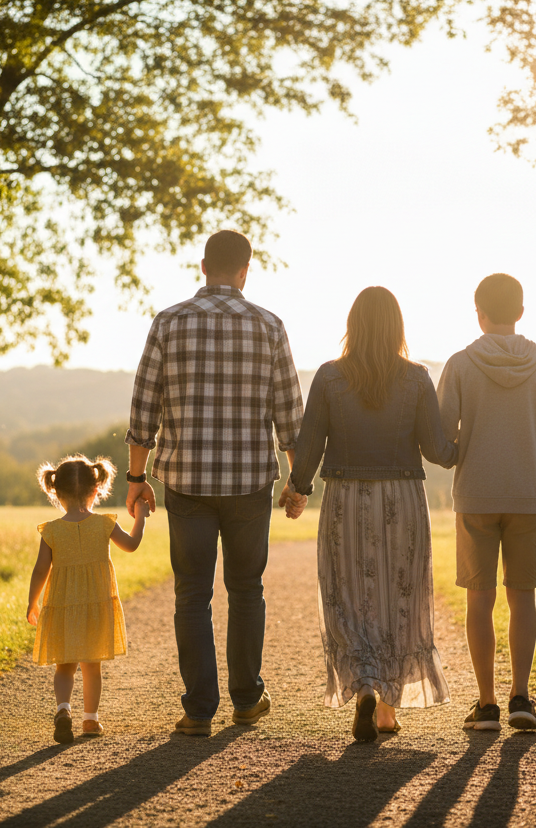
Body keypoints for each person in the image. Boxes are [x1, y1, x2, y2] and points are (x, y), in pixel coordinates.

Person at [125, 229, 307, 737]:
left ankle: (199, 710)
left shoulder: (169, 322)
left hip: (186, 481)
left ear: (203, 267)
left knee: (192, 594)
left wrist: (137, 477)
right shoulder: (270, 326)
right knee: (247, 589)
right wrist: (298, 481)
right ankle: (247, 700)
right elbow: (290, 415)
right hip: (249, 482)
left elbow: (143, 408)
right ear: (246, 271)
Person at [287, 286, 457, 743]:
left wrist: (297, 489)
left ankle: (363, 684)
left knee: (348, 598)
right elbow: (438, 451)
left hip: (344, 496)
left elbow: (310, 445)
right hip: (402, 498)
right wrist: (471, 439)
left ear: (353, 325)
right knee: (399, 600)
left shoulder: (328, 377)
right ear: (398, 326)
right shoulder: (418, 379)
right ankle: (386, 710)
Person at [436, 273, 536, 732]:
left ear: (479, 313)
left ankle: (487, 705)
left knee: (480, 598)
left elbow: (439, 437)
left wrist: (457, 454)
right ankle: (521, 699)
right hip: (530, 496)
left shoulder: (460, 364)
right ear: (521, 312)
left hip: (475, 494)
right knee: (522, 597)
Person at [27, 454, 148, 744]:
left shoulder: (52, 530)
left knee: (64, 666)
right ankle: (90, 720)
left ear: (55, 492)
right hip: (96, 606)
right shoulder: (104, 524)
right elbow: (131, 545)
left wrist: (33, 602)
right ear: (97, 490)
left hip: (64, 606)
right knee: (92, 667)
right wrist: (141, 517)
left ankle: (63, 709)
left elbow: (40, 569)